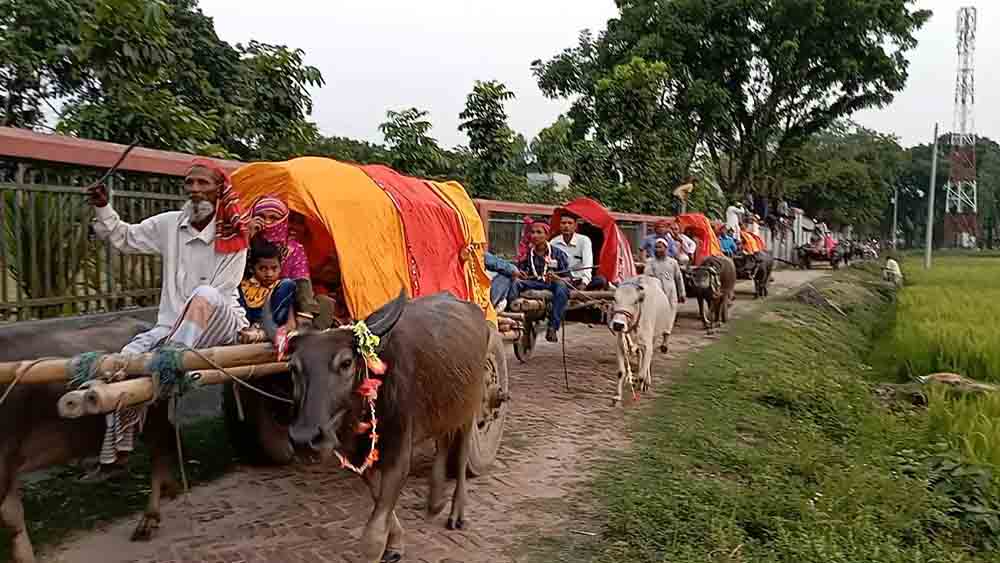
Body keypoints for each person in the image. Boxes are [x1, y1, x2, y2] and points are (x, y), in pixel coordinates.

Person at [85, 158, 250, 481]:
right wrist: (104, 208)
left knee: (205, 294)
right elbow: (124, 237)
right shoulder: (169, 224)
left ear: (219, 190)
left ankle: (170, 363)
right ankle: (116, 453)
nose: (196, 190)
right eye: (190, 183)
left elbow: (221, 290)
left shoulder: (234, 233)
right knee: (124, 360)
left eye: (203, 184)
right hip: (173, 328)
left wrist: (172, 350)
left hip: (222, 324)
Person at [245, 197, 318, 328]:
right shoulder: (244, 244)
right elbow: (236, 277)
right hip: (248, 301)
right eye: (261, 217)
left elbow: (302, 284)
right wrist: (248, 238)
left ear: (283, 220)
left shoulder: (294, 249)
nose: (267, 222)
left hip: (284, 305)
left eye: (273, 218)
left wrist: (304, 315)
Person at [511, 222, 571, 342]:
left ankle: (553, 327)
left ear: (547, 235)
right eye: (532, 232)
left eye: (539, 232)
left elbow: (568, 278)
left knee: (562, 286)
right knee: (515, 283)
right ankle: (512, 313)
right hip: (534, 283)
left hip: (552, 284)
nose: (534, 235)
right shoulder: (526, 254)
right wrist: (521, 274)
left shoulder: (558, 254)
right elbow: (520, 272)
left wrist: (557, 278)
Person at [238, 238, 298, 343]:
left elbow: (290, 323)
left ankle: (262, 333)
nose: (269, 274)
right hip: (247, 326)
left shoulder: (281, 288)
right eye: (263, 269)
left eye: (274, 269)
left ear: (280, 268)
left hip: (272, 327)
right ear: (252, 268)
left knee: (288, 284)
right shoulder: (243, 286)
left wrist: (284, 330)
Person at [644, 238, 686, 352]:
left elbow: (678, 278)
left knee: (670, 317)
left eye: (660, 247)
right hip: (655, 293)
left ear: (666, 248)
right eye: (656, 247)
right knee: (655, 317)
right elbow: (647, 276)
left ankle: (665, 342)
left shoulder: (673, 262)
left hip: (670, 293)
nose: (658, 249)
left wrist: (682, 293)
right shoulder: (650, 262)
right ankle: (651, 342)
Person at [550, 214, 608, 290]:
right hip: (563, 280)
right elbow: (551, 265)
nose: (566, 226)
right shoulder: (553, 242)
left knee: (601, 280)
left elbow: (587, 264)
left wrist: (584, 283)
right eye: (563, 223)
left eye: (570, 223)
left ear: (575, 226)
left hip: (579, 280)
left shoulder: (584, 240)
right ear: (560, 225)